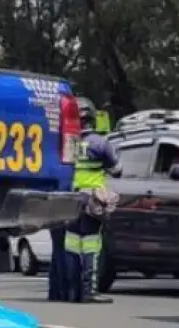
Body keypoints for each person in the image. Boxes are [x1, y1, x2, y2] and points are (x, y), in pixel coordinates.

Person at [58, 98, 121, 304]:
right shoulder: (100, 143)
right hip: (92, 200)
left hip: (70, 198)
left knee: (71, 245)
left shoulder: (68, 142)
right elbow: (117, 169)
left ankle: (71, 292)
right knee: (91, 245)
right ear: (92, 119)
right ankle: (89, 292)